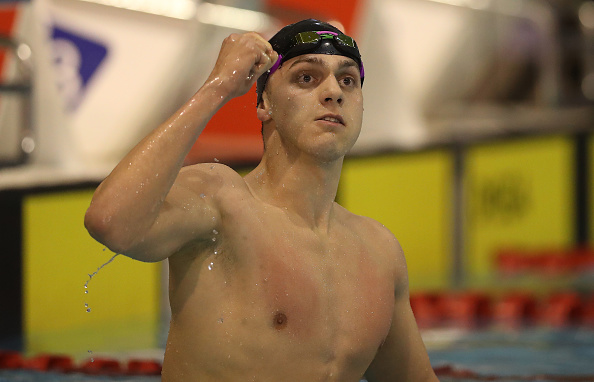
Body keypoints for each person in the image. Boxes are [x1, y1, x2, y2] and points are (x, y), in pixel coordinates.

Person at [84, 19, 439, 382]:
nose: (333, 91)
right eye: (306, 78)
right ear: (265, 102)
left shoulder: (379, 254)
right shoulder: (219, 202)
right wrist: (217, 87)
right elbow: (110, 222)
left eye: (347, 80)